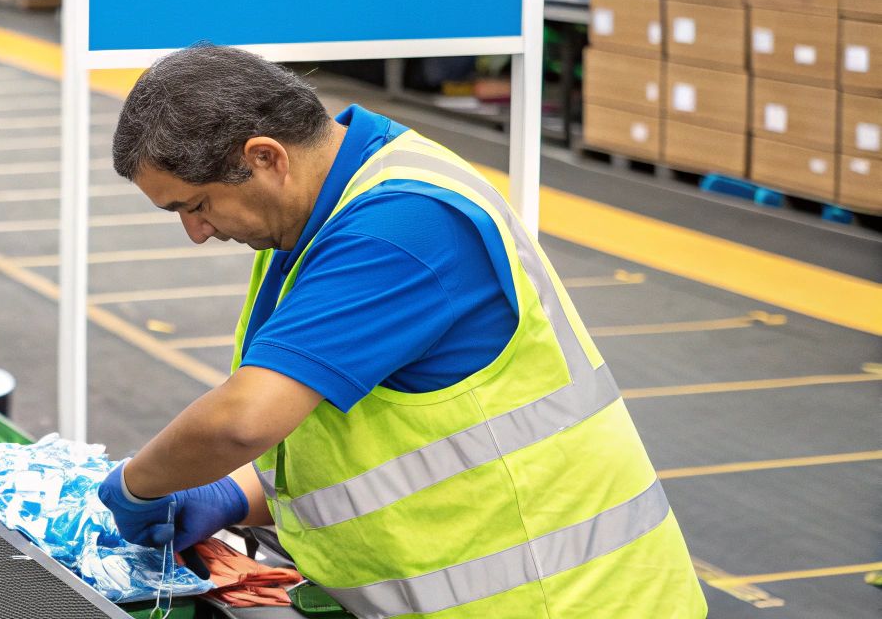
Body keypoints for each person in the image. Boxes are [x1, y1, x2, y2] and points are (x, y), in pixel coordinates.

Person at [93, 44, 705, 617]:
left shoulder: (400, 229)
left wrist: (136, 486)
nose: (196, 233)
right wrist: (234, 496)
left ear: (265, 158)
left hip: (560, 600)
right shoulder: (317, 215)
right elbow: (369, 446)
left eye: (195, 205)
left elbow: (243, 421)